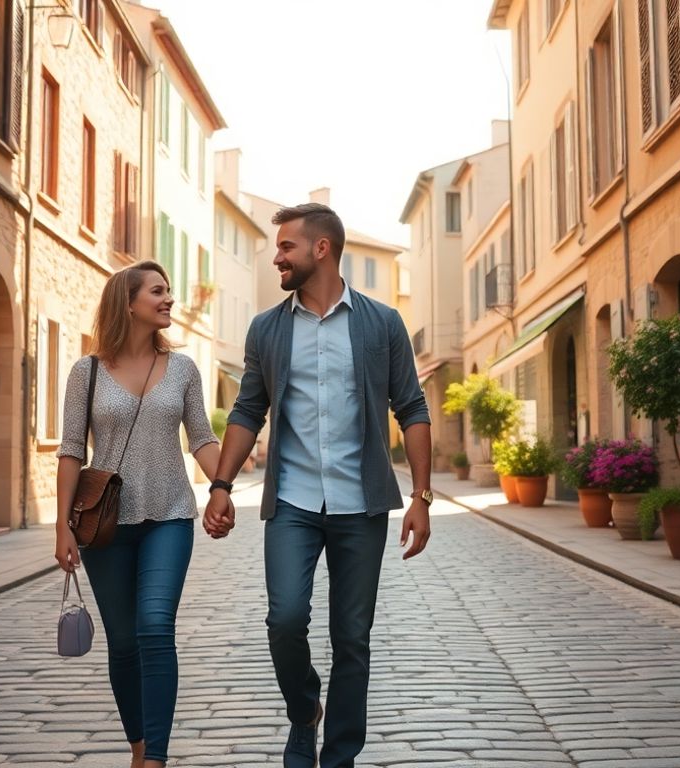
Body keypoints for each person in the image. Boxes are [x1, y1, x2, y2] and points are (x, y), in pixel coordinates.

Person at [202, 203, 433, 768]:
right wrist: (221, 485)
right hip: (293, 502)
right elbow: (248, 409)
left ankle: (340, 757)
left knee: (353, 638)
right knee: (284, 619)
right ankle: (304, 709)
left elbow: (412, 406)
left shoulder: (382, 323)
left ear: (321, 249)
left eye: (286, 247)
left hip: (361, 505)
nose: (276, 256)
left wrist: (423, 497)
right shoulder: (268, 329)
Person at [54, 261, 229, 768]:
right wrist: (62, 526)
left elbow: (201, 438)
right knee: (124, 643)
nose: (169, 298)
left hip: (169, 514)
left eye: (169, 290)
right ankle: (138, 745)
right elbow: (70, 451)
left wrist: (222, 487)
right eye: (158, 291)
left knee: (155, 627)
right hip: (103, 525)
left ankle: (156, 757)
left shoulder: (184, 369)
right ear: (128, 303)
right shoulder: (85, 372)